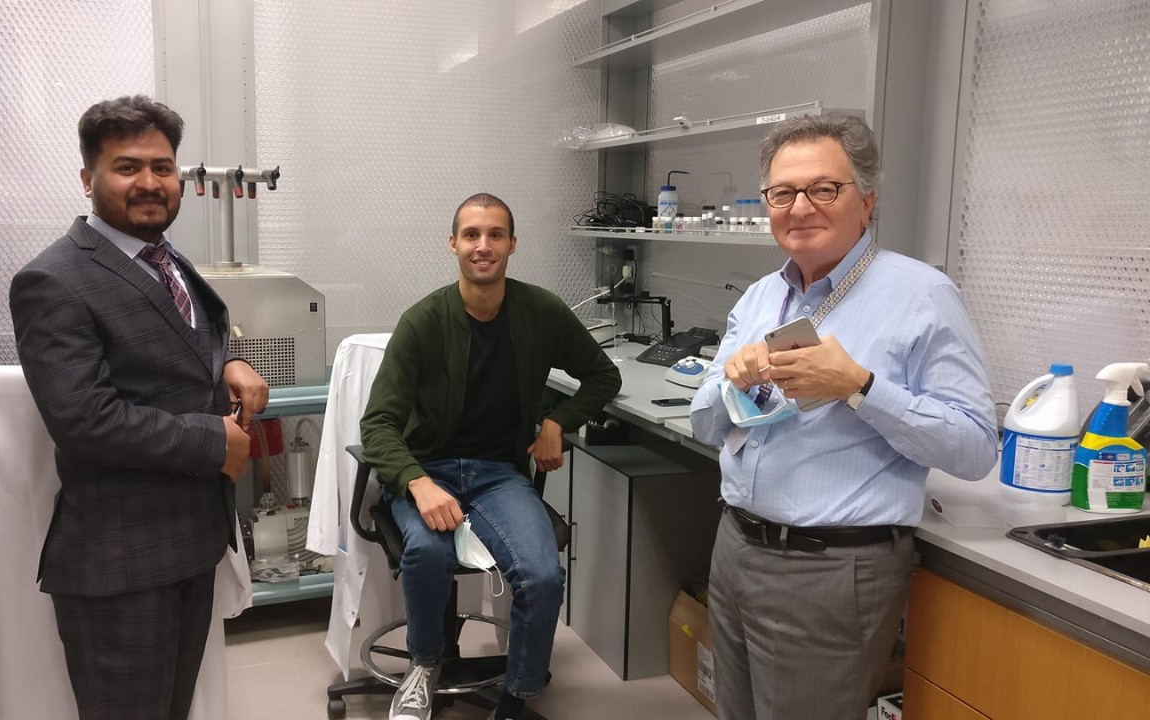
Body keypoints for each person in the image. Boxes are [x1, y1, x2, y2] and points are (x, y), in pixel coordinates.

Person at [689, 114, 997, 720]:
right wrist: (732, 384)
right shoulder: (760, 297)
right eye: (782, 193)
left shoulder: (923, 296)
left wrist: (858, 387)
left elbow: (975, 446)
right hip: (736, 548)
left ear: (867, 202)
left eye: (824, 189)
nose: (800, 207)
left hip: (831, 567)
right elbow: (703, 425)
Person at [9, 95, 268, 720]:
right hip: (120, 560)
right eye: (127, 167)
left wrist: (228, 361)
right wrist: (215, 441)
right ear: (88, 178)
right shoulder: (54, 280)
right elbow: (84, 419)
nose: (149, 182)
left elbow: (181, 343)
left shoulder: (163, 257)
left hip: (190, 542)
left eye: (162, 167)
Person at [360, 193, 621, 720]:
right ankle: (424, 664)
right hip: (427, 468)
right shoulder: (422, 322)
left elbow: (603, 376)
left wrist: (557, 422)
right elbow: (378, 423)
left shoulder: (541, 312)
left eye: (495, 235)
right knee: (427, 553)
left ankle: (518, 695)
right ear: (453, 244)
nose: (484, 246)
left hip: (499, 474)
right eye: (472, 235)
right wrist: (416, 482)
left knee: (542, 576)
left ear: (512, 244)